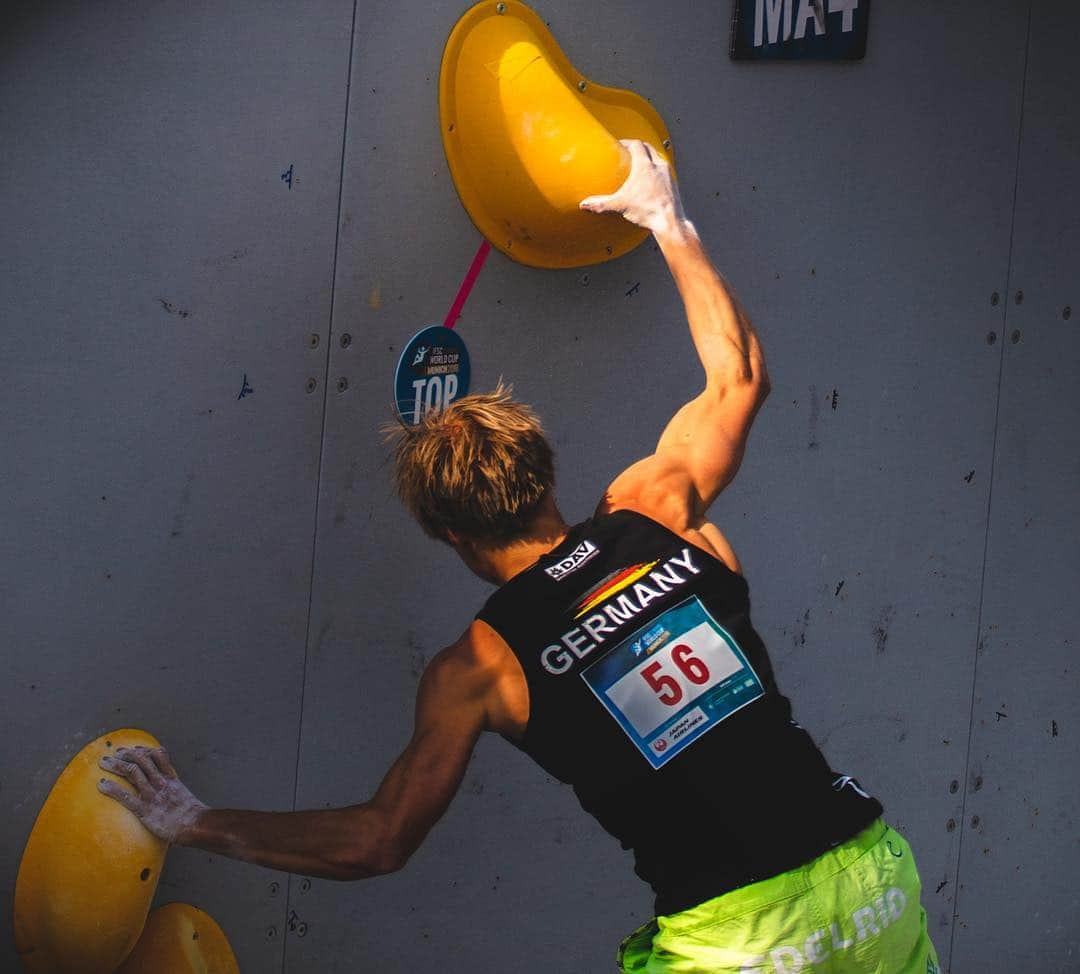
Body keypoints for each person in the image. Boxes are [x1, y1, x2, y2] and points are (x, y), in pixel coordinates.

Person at [99, 140, 939, 973]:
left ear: (449, 534)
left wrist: (192, 819)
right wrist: (663, 217)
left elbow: (379, 840)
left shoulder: (481, 668)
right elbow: (738, 379)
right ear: (546, 475)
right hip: (871, 879)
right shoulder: (658, 509)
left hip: (741, 945)